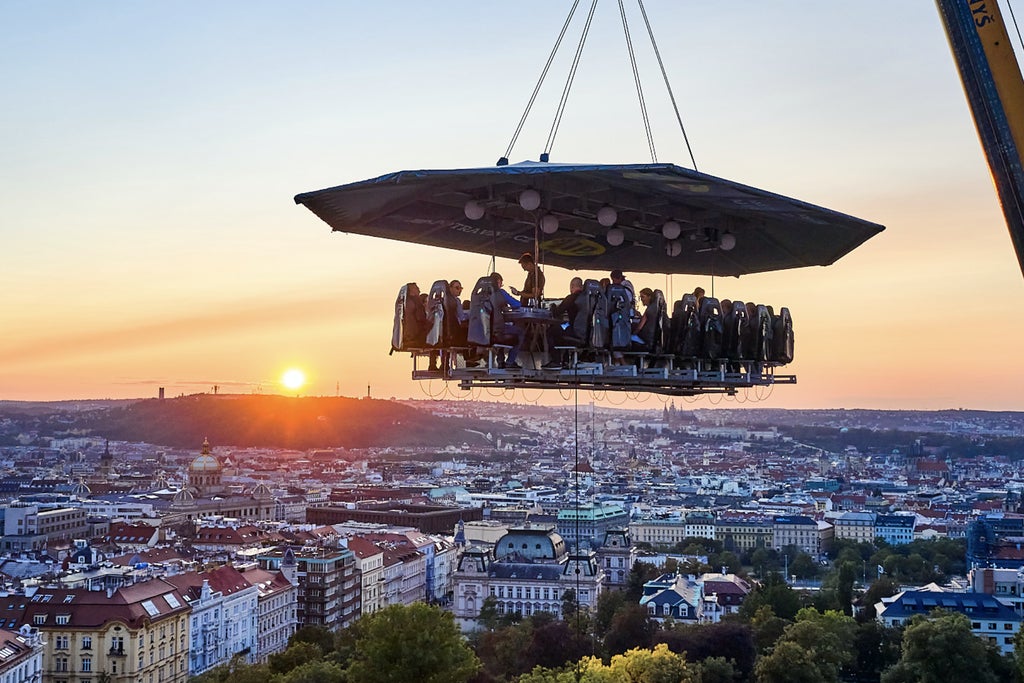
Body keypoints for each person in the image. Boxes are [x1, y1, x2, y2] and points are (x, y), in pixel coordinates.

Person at [542, 277, 585, 369]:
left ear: (572, 287)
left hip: (572, 327)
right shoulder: (588, 298)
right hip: (586, 331)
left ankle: (556, 361)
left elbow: (557, 312)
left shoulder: (571, 298)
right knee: (562, 326)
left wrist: (553, 306)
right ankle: (566, 359)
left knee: (551, 331)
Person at [490, 272, 526, 369]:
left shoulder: (480, 294)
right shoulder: (501, 292)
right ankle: (510, 361)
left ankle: (500, 360)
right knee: (520, 332)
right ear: (498, 282)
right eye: (501, 283)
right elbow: (516, 304)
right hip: (497, 328)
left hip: (485, 330)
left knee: (499, 332)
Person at [402, 282, 430, 348]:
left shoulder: (405, 302)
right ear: (412, 291)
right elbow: (421, 318)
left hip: (407, 336)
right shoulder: (417, 301)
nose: (419, 290)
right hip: (417, 336)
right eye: (417, 288)